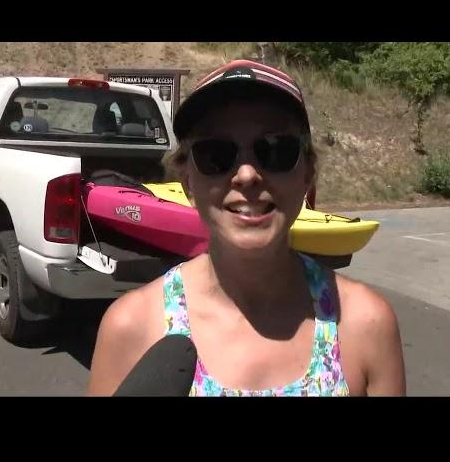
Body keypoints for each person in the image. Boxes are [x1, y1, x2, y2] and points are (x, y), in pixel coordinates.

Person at [87, 60, 406, 396]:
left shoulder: (366, 324)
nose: (246, 175)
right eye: (215, 153)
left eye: (275, 149)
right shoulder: (132, 327)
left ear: (308, 174)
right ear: (187, 182)